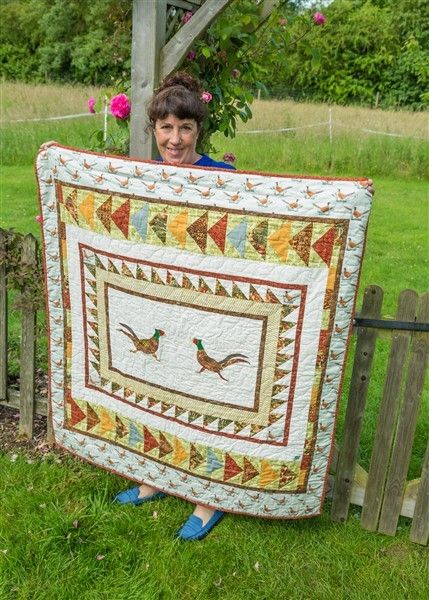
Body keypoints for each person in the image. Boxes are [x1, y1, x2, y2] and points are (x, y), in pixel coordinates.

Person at [114, 72, 235, 541]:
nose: (175, 139)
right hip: (159, 305)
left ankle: (207, 499)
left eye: (184, 128)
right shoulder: (144, 177)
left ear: (198, 130)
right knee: (158, 388)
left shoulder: (222, 178)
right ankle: (155, 478)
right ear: (153, 131)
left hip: (207, 307)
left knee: (207, 398)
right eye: (165, 128)